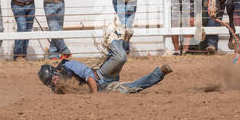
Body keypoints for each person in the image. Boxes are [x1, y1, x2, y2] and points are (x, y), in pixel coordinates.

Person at [38, 28, 173, 94]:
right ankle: (159, 73)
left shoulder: (69, 65)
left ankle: (113, 40)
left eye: (53, 78)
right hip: (104, 87)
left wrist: (95, 97)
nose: (54, 82)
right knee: (130, 89)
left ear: (56, 71)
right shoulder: (58, 90)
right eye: (50, 82)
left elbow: (89, 76)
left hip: (102, 74)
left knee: (121, 58)